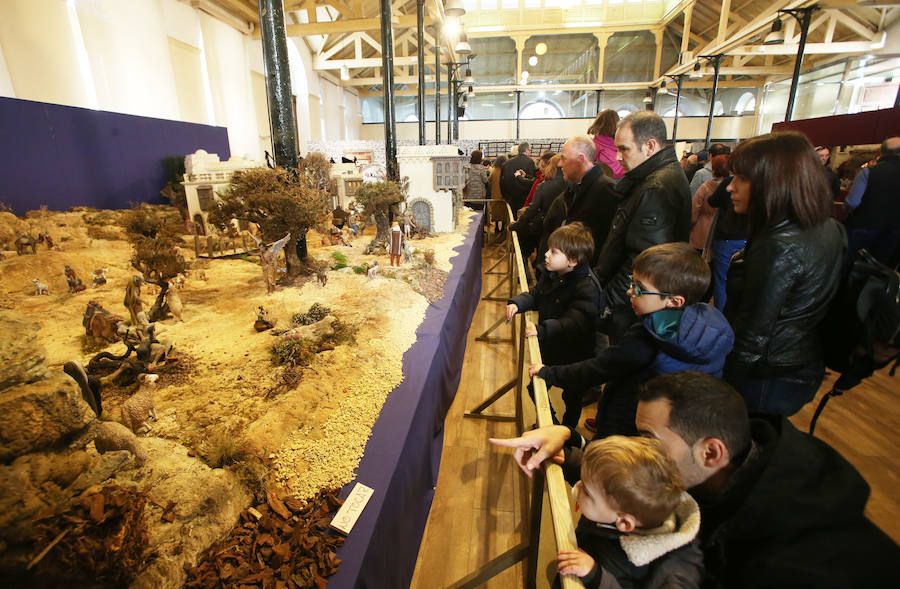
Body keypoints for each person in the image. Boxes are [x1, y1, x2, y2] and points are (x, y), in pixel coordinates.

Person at [490, 371, 900, 589]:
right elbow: (639, 481)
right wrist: (570, 440)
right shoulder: (727, 466)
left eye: (648, 439)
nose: (637, 448)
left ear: (710, 452)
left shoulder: (789, 565)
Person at [530, 242, 733, 436]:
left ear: (674, 301)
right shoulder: (704, 326)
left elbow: (598, 368)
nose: (629, 292)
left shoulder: (647, 339)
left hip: (625, 425)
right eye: (631, 283)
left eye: (639, 288)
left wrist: (548, 372)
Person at [724, 131, 844, 416]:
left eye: (741, 178)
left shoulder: (778, 245)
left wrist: (721, 386)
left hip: (768, 375)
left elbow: (754, 333)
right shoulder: (826, 225)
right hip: (800, 363)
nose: (730, 187)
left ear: (771, 182)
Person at [594, 111, 691, 342]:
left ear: (649, 146)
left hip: (635, 306)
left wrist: (607, 301)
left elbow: (642, 259)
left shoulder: (656, 186)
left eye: (624, 149)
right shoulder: (656, 179)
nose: (617, 157)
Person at [557, 436, 703, 588]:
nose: (578, 486)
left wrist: (596, 577)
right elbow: (598, 481)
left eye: (586, 492)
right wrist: (567, 458)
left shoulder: (667, 575)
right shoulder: (624, 507)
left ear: (624, 523)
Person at [506, 223, 602, 426]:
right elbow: (535, 295)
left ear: (573, 261)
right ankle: (551, 422)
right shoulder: (552, 275)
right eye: (549, 250)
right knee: (535, 388)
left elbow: (575, 321)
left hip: (576, 355)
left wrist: (542, 330)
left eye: (554, 252)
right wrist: (518, 303)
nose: (546, 255)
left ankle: (567, 430)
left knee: (572, 397)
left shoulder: (587, 287)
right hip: (551, 349)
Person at [537, 136, 618, 272]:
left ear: (580, 160)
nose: (560, 164)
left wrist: (596, 278)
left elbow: (610, 243)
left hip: (588, 274)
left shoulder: (605, 190)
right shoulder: (574, 188)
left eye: (564, 158)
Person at [843, 135, 900, 267]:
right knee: (880, 269)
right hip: (894, 231)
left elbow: (852, 202)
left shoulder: (868, 172)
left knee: (851, 265)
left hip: (863, 227)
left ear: (882, 151)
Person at [510, 154, 565, 268]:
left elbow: (533, 209)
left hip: (545, 226)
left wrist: (518, 225)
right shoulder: (570, 185)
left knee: (538, 254)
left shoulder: (545, 186)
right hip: (564, 228)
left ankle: (526, 275)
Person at [689, 153, 729, 253]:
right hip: (722, 234)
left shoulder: (706, 187)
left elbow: (694, 210)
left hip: (701, 231)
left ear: (714, 170)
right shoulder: (733, 188)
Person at [501, 141, 537, 218]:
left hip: (510, 196)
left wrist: (504, 195)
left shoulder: (507, 163)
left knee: (511, 217)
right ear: (527, 150)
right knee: (522, 218)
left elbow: (502, 180)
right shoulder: (530, 162)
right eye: (530, 150)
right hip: (524, 197)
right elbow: (532, 181)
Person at [587, 109, 624, 179]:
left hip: (605, 178)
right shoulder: (621, 142)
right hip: (622, 177)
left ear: (598, 123)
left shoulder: (596, 143)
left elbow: (588, 163)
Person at [489, 154, 508, 231]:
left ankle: (496, 226)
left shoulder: (494, 171)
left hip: (495, 195)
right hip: (503, 196)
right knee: (503, 212)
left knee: (496, 212)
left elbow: (489, 180)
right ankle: (503, 227)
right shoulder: (506, 171)